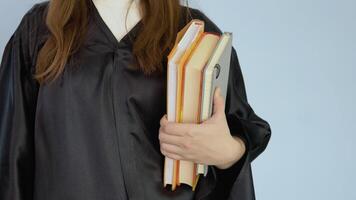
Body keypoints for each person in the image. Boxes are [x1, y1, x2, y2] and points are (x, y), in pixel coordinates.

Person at [0, 0, 271, 199]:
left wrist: (227, 152)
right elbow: (11, 157)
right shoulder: (40, 31)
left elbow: (239, 136)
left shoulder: (195, 37)